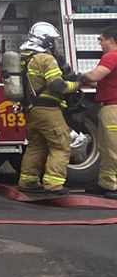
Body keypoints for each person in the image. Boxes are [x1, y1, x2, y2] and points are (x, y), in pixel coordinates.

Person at [18, 22, 82, 196]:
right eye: (53, 41)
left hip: (31, 110)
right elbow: (57, 86)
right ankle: (54, 185)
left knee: (36, 145)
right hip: (48, 110)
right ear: (45, 41)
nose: (55, 45)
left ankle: (28, 181)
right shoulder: (45, 59)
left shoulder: (25, 57)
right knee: (61, 145)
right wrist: (75, 85)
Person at [74, 24, 117, 198]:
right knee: (105, 147)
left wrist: (79, 75)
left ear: (111, 40)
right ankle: (106, 183)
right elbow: (102, 82)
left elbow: (95, 76)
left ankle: (113, 186)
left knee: (112, 148)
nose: (100, 43)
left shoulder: (111, 56)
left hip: (112, 109)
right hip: (109, 108)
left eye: (102, 39)